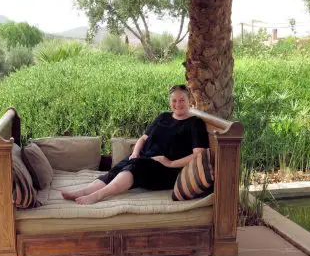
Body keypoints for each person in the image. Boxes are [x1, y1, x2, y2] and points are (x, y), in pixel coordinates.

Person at [61, 85, 209, 205]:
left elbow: (198, 154)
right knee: (123, 164)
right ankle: (84, 191)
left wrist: (170, 163)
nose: (178, 104)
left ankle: (98, 195)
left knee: (135, 166)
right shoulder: (163, 117)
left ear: (190, 100)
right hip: (145, 158)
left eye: (182, 100)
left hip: (166, 170)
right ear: (170, 102)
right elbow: (143, 139)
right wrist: (135, 153)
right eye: (174, 100)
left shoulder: (195, 123)